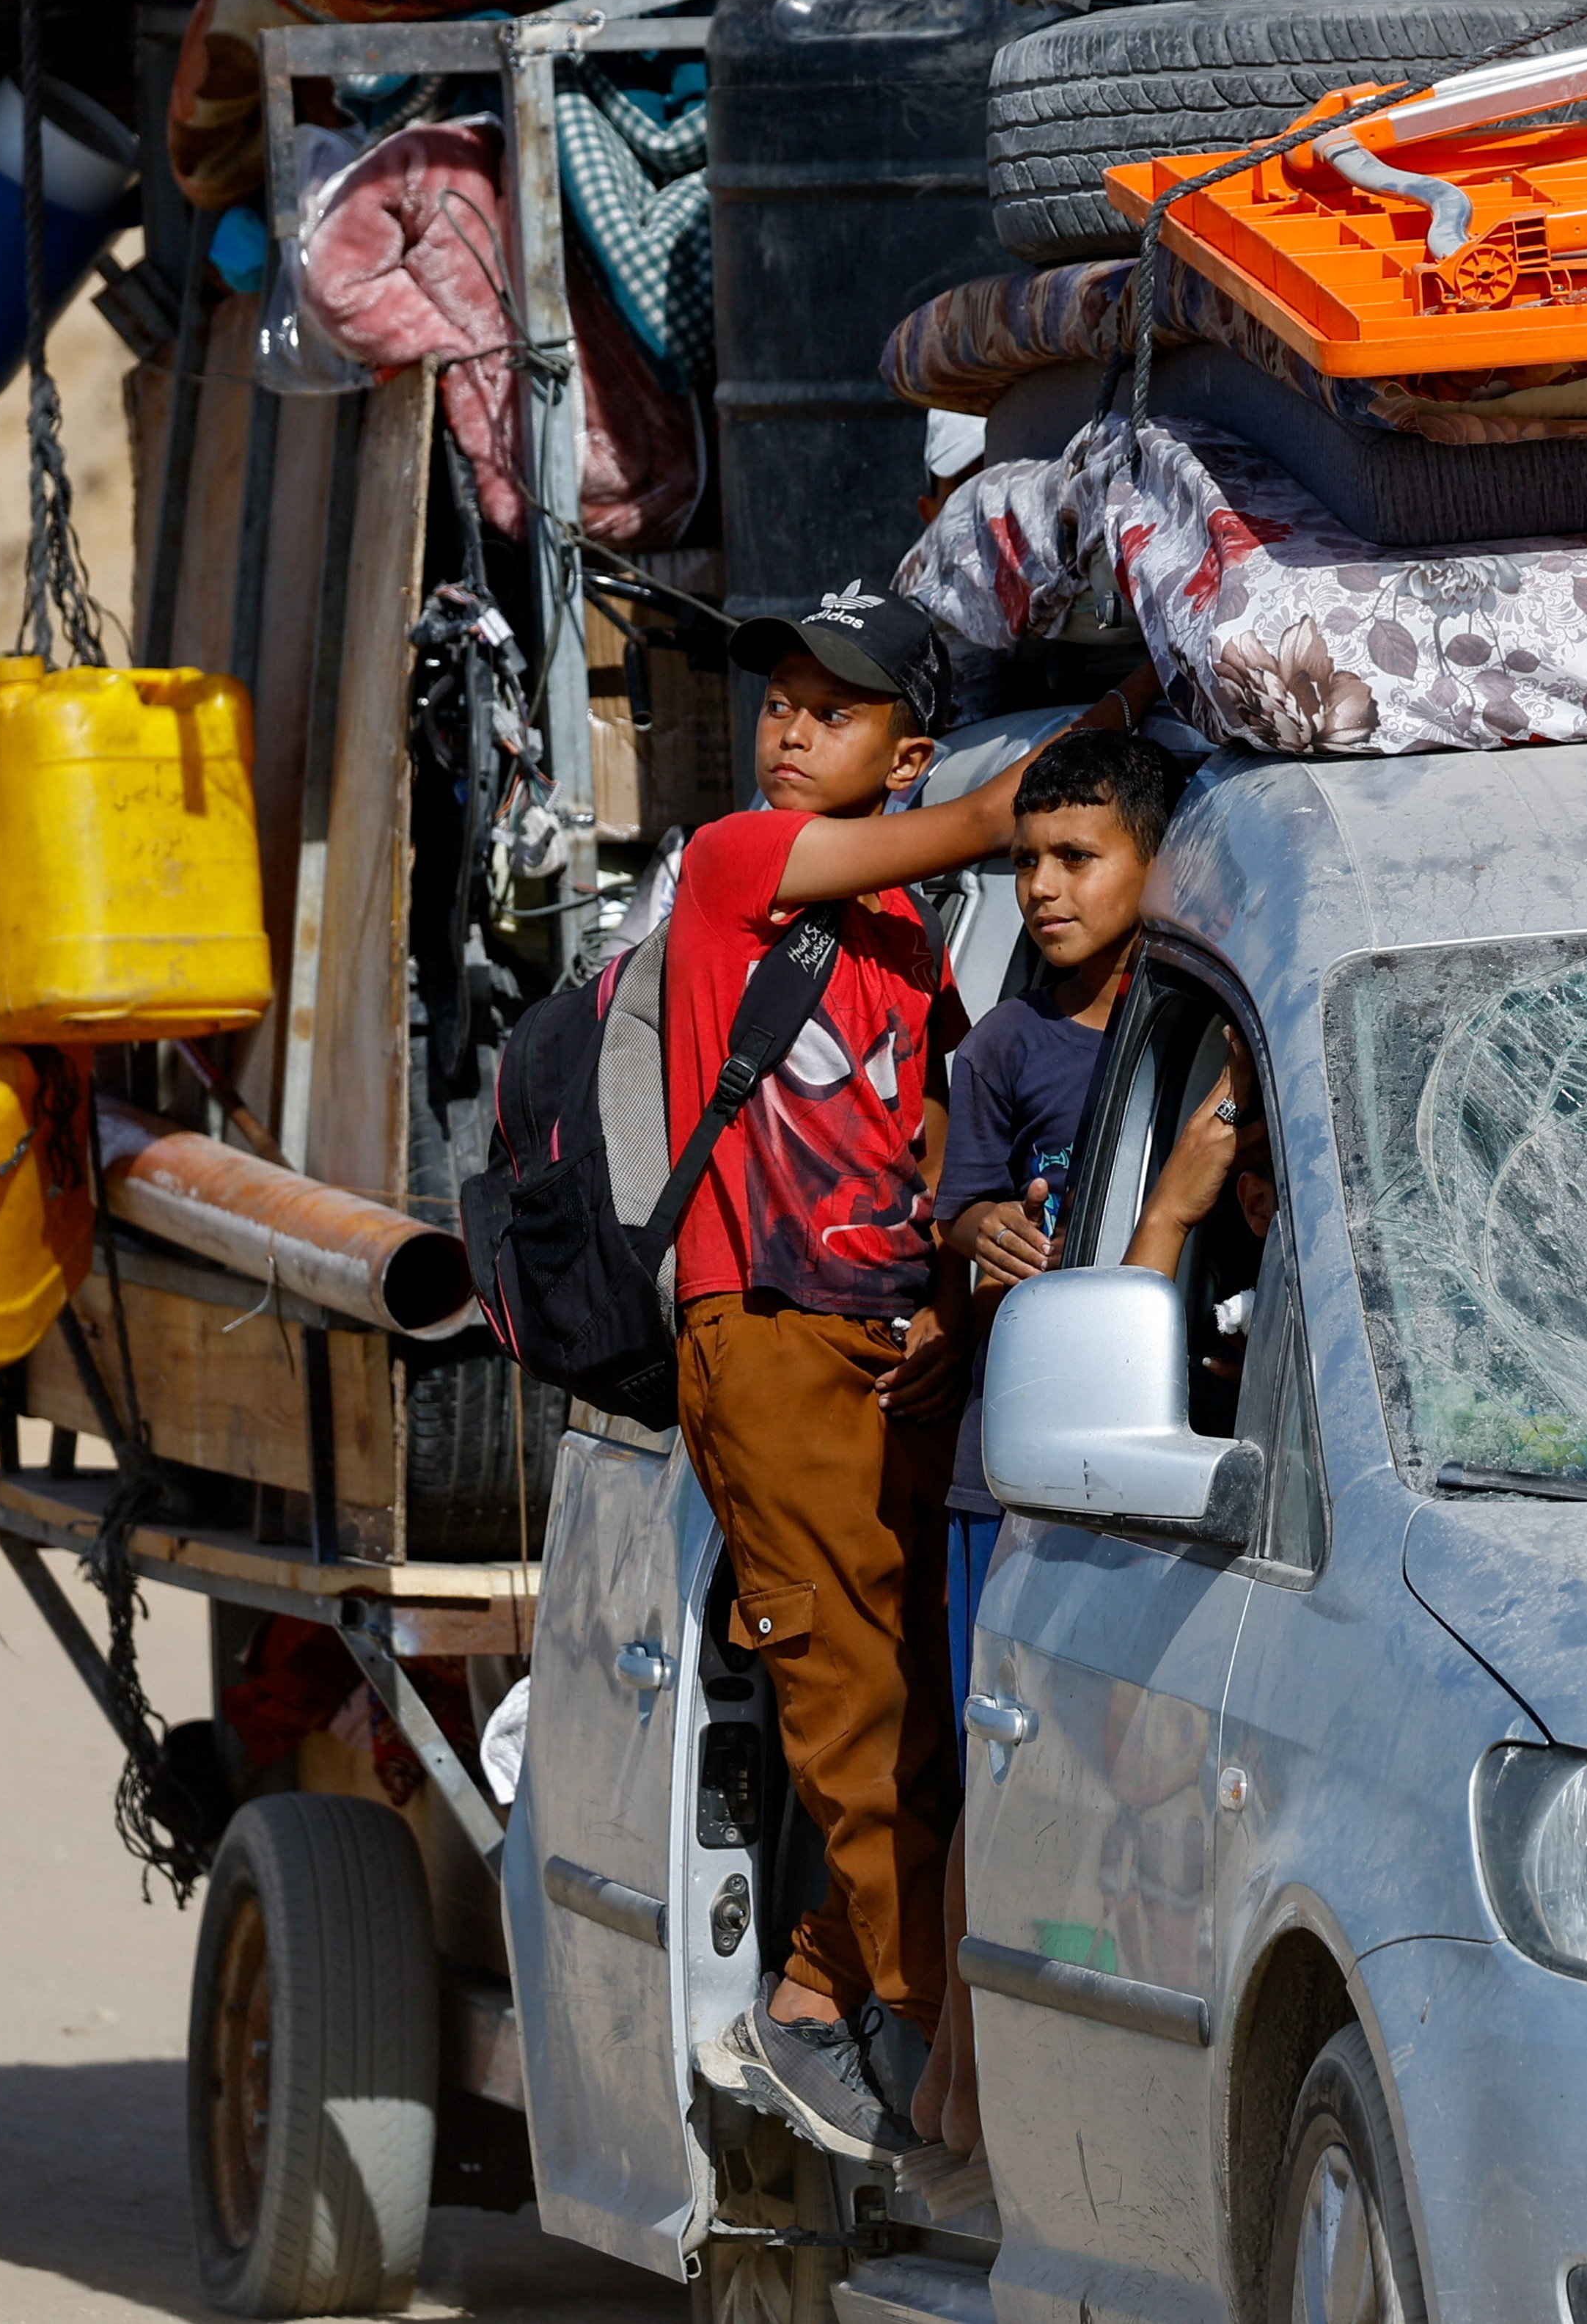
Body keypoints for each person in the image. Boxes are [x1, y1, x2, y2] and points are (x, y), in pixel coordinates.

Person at [683, 586, 1132, 2155]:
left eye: (835, 710)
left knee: (915, 1715)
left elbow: (943, 1150)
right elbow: (990, 824)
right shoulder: (737, 863)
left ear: (905, 745)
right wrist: (1136, 702)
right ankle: (923, 2036)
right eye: (783, 702)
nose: (791, 730)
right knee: (854, 1702)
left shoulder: (905, 952)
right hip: (767, 1330)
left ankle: (826, 1991)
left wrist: (957, 1277)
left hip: (888, 1347)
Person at [915, 726, 1187, 2157]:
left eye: (1075, 857)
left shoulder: (1194, 1025)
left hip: (1149, 1454)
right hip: (1006, 1465)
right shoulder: (1005, 1045)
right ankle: (957, 2085)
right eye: (1025, 861)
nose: (1041, 888)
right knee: (1003, 1781)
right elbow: (955, 1210)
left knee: (1126, 1788)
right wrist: (980, 1231)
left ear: (1154, 860)